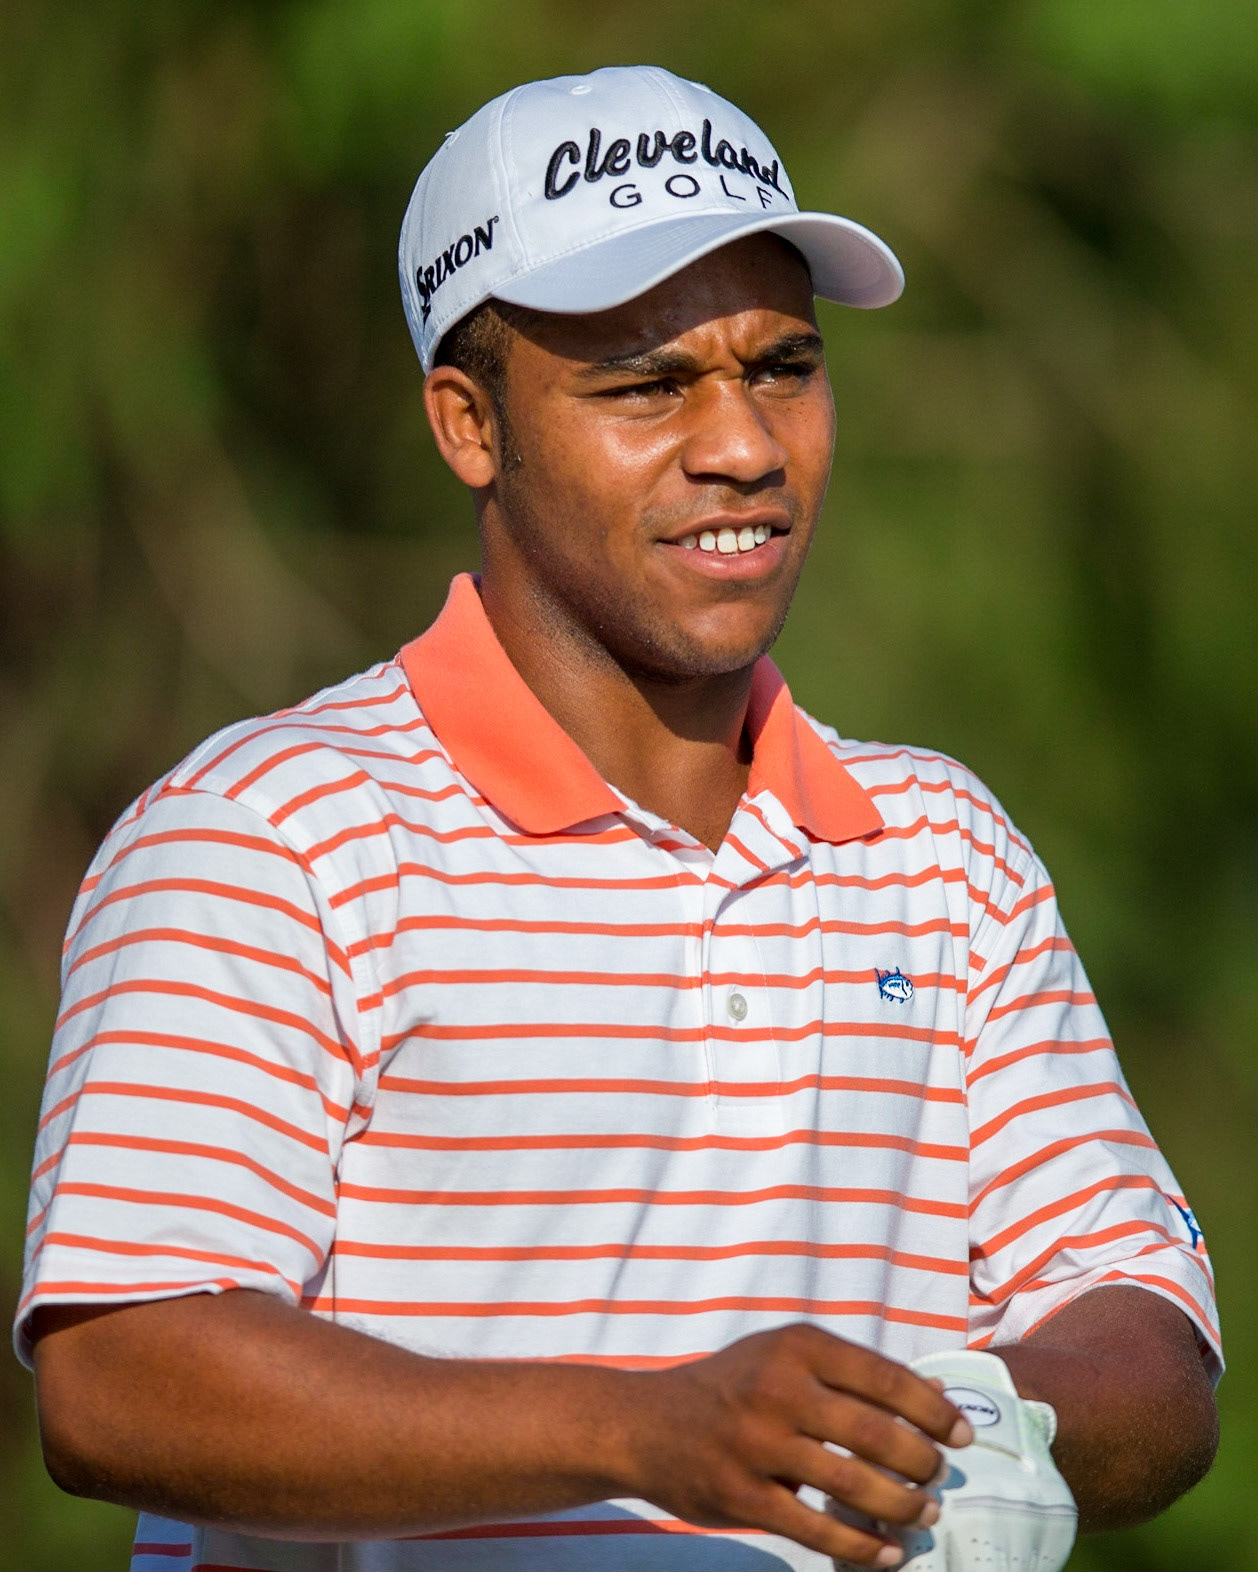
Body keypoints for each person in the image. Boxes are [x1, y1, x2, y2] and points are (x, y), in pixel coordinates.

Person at [18, 65, 1220, 1572]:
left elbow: (1146, 1344)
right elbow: (121, 1382)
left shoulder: (943, 851)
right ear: (468, 425)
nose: (743, 446)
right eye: (646, 384)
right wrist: (645, 1430)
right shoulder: (266, 837)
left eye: (781, 366)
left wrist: (955, 1416)